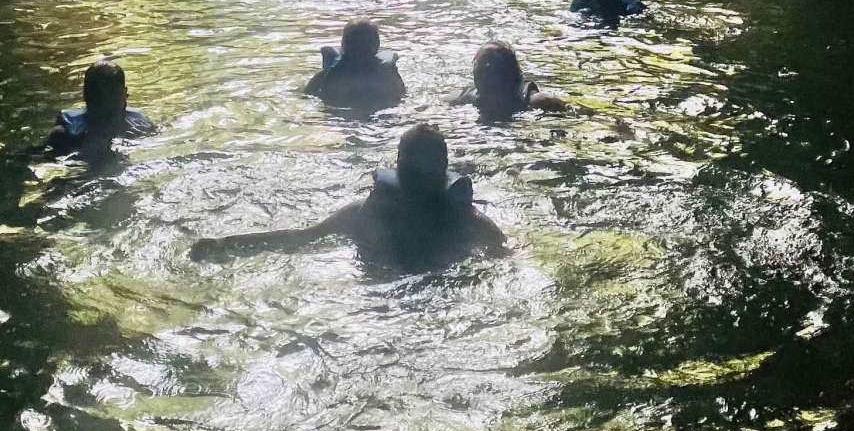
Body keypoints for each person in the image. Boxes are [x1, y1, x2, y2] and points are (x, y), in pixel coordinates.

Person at [188, 124, 506, 270]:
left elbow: (298, 240)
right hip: (441, 299)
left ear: (398, 163)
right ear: (444, 166)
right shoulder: (469, 222)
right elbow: (505, 257)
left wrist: (225, 244)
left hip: (376, 302)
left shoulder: (363, 214)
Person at [43, 57, 156, 152]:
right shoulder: (65, 133)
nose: (104, 106)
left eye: (110, 95)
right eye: (99, 97)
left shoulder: (141, 126)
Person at [449, 41, 570, 120]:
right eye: (479, 64)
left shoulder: (536, 100)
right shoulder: (462, 98)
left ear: (511, 71)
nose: (486, 69)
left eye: (494, 64)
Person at [303, 19, 407, 111]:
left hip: (339, 114)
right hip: (378, 112)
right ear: (376, 45)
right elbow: (402, 96)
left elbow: (306, 95)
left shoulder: (328, 74)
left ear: (344, 45)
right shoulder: (389, 74)